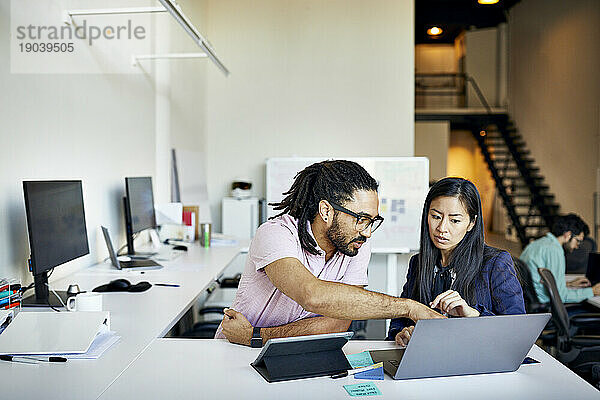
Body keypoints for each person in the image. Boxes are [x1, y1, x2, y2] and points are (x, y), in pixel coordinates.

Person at [215, 160, 443, 346]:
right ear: (326, 210)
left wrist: (257, 335)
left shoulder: (356, 243)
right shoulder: (276, 234)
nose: (368, 232)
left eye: (372, 221)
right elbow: (311, 295)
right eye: (361, 219)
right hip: (238, 352)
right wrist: (409, 307)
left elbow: (338, 323)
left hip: (287, 350)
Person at [387, 177, 525, 345]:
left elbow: (517, 330)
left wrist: (473, 314)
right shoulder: (418, 262)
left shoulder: (496, 263)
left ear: (471, 223)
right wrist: (402, 332)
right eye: (436, 216)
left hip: (477, 362)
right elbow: (401, 317)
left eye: (455, 220)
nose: (442, 228)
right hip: (428, 358)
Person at [520, 214, 600, 305]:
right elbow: (561, 296)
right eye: (577, 241)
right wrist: (592, 291)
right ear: (568, 235)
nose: (577, 246)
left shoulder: (538, 244)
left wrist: (568, 284)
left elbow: (543, 282)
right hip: (547, 306)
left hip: (531, 301)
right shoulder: (554, 250)